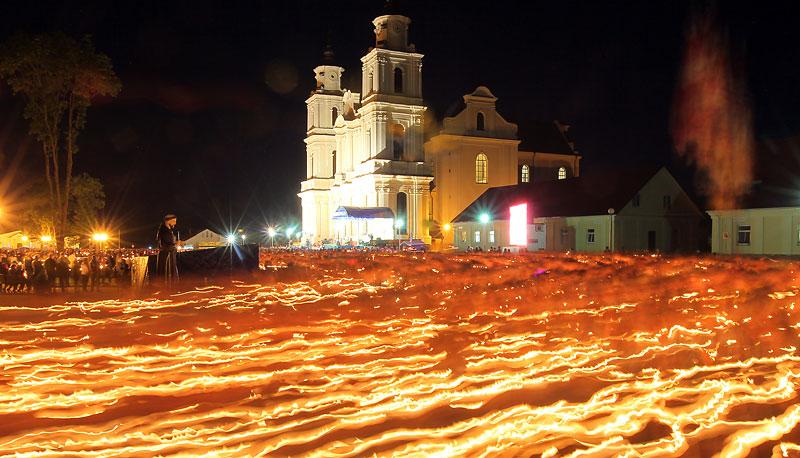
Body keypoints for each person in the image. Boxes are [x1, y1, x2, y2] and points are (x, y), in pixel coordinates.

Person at [156, 214, 180, 286]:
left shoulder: (167, 231)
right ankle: (168, 289)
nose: (175, 223)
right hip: (167, 257)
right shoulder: (164, 232)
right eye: (173, 221)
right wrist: (177, 245)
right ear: (167, 221)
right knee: (167, 274)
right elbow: (165, 246)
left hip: (167, 256)